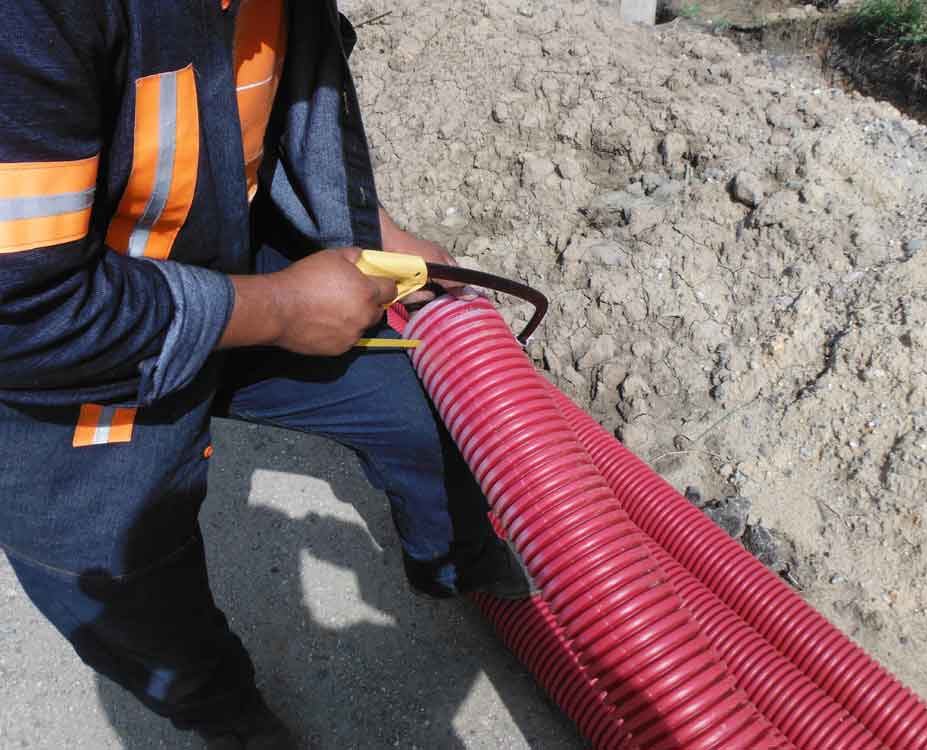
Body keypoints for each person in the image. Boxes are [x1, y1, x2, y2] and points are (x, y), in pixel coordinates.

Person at [0, 2, 533, 748]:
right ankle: (227, 717)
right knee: (126, 583)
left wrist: (371, 230)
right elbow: (22, 313)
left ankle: (454, 564)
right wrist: (280, 310)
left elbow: (274, 113)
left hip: (221, 250)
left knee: (429, 403)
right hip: (76, 356)